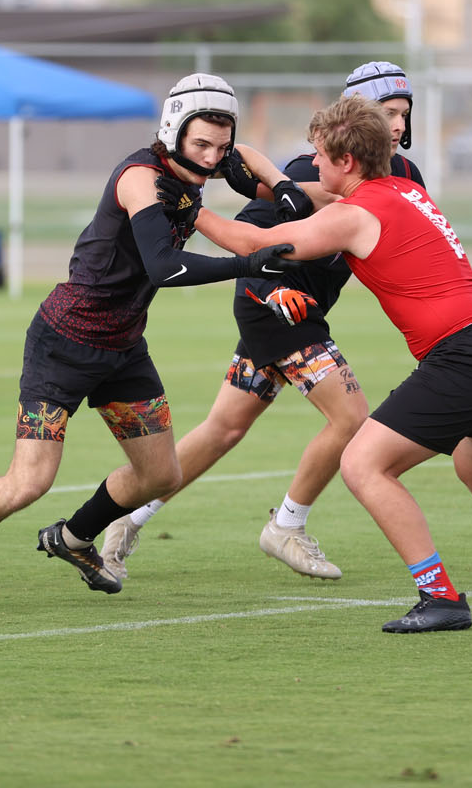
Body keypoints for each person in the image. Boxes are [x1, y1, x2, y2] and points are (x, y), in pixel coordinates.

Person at [183, 95, 472, 632]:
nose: (314, 164)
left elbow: (257, 242)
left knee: (362, 464)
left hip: (466, 354)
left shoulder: (355, 214)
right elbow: (302, 192)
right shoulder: (404, 189)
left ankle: (440, 598)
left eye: (319, 155)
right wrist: (266, 175)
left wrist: (184, 209)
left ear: (347, 162)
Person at [0, 73, 307, 615]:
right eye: (202, 145)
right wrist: (245, 264)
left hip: (123, 347)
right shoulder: (142, 178)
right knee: (29, 482)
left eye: (220, 146)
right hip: (63, 343)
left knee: (162, 474)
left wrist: (282, 187)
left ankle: (72, 539)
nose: (214, 159)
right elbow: (163, 268)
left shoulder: (197, 165)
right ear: (173, 132)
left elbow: (246, 160)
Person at [100, 62, 424, 582]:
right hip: (277, 305)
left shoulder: (406, 177)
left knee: (224, 429)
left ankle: (127, 516)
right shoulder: (314, 170)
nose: (399, 126)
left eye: (404, 114)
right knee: (351, 418)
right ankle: (286, 527)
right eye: (387, 114)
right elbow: (250, 240)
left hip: (302, 311)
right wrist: (272, 289)